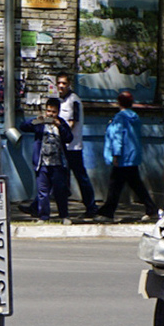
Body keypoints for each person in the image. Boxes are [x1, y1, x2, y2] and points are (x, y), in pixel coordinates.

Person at [98, 90, 157, 221]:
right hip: (132, 156)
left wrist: (115, 154)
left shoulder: (120, 117)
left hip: (122, 158)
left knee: (115, 186)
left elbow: (118, 137)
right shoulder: (135, 117)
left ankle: (107, 213)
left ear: (119, 102)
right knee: (135, 184)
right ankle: (151, 208)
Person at [17, 97, 74, 220]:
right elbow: (24, 126)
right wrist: (36, 121)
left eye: (53, 112)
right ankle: (43, 216)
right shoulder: (40, 124)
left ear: (58, 112)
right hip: (42, 163)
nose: (50, 114)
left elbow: (69, 137)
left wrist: (60, 126)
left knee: (60, 191)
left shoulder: (62, 123)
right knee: (42, 192)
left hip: (58, 164)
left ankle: (64, 216)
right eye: (48, 111)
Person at [53, 72, 98, 218]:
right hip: (61, 146)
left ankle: (91, 206)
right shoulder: (59, 101)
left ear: (69, 84)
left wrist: (60, 133)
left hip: (72, 146)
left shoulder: (74, 101)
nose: (61, 86)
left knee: (80, 176)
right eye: (59, 83)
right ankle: (38, 205)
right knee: (55, 175)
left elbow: (72, 123)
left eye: (64, 83)